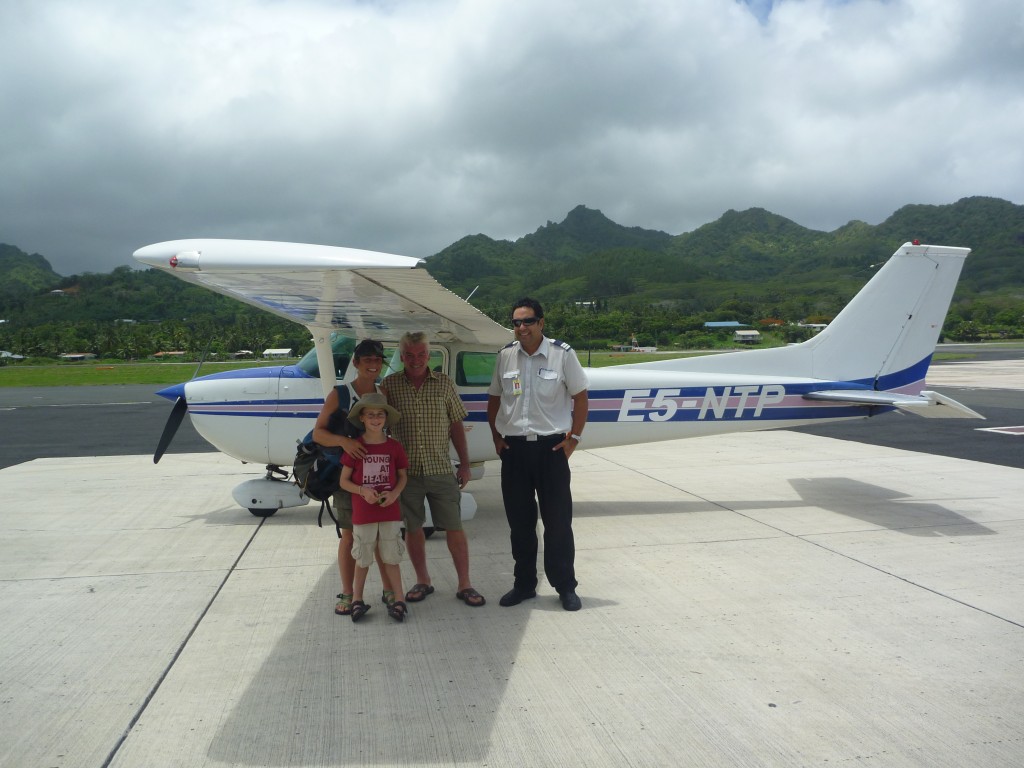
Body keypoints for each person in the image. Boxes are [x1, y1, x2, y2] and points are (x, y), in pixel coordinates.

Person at [486, 298, 589, 612]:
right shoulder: (505, 356)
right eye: (516, 322)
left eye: (528, 321)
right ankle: (524, 585)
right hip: (514, 450)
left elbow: (581, 398)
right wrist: (496, 437)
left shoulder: (562, 355)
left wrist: (573, 439)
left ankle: (565, 587)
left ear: (541, 323)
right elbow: (494, 399)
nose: (522, 328)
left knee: (558, 523)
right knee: (520, 523)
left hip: (551, 449)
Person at [383, 331, 485, 607]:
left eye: (421, 354)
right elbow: (380, 427)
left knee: (454, 526)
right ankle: (423, 580)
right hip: (408, 473)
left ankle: (465, 583)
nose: (415, 360)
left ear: (429, 355)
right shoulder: (389, 386)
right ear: (402, 356)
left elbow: (456, 426)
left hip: (440, 469)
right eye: (409, 355)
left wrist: (464, 464)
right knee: (413, 528)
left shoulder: (444, 384)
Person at [311, 338, 394, 616]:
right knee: (349, 536)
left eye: (377, 360)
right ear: (356, 363)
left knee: (383, 536)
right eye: (367, 359)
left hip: (380, 478)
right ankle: (348, 593)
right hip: (349, 479)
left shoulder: (383, 394)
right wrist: (344, 442)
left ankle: (389, 589)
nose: (373, 364)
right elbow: (318, 433)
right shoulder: (340, 394)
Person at [339, 393, 409, 622]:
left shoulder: (394, 447)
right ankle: (357, 599)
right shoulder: (356, 447)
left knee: (391, 556)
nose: (376, 419)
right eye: (371, 415)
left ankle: (399, 599)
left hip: (389, 510)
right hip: (364, 513)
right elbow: (344, 481)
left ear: (386, 418)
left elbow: (402, 476)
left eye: (380, 415)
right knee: (363, 557)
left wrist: (395, 493)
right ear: (362, 418)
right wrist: (363, 491)